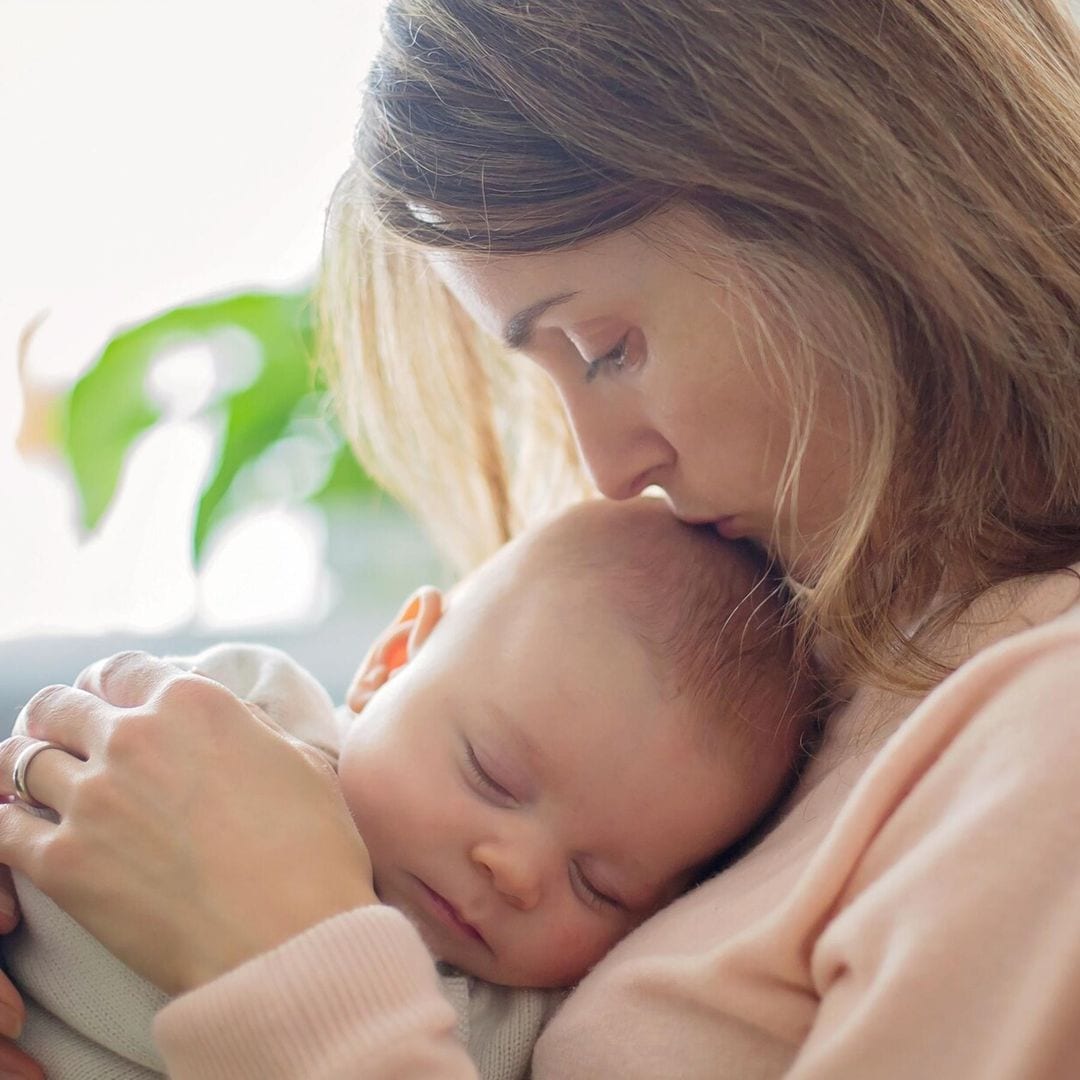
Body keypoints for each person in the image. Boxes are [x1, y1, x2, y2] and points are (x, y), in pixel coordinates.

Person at [0, 0, 1077, 1076]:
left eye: (606, 347)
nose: (611, 472)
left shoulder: (1045, 734)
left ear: (853, 199)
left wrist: (276, 959)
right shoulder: (799, 650)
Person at [1, 498, 814, 1080]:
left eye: (597, 885)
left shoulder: (519, 1034)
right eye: (492, 775)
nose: (516, 870)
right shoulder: (243, 710)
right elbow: (45, 776)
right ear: (391, 659)